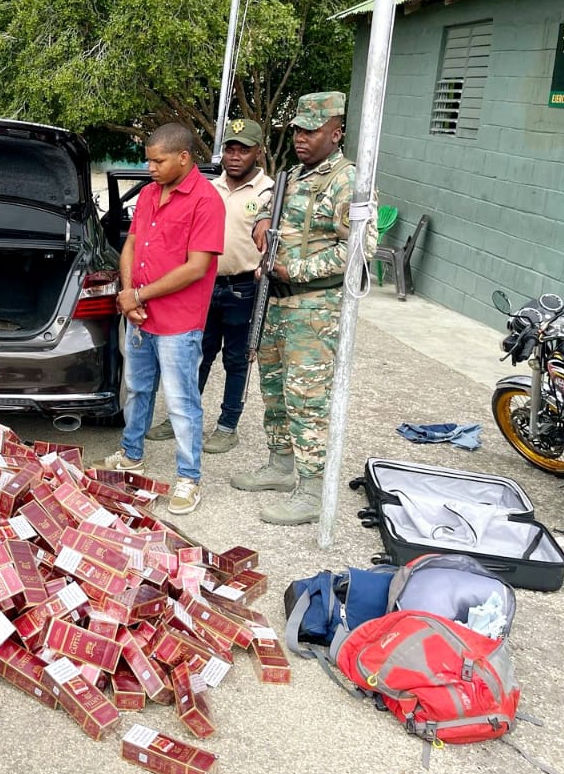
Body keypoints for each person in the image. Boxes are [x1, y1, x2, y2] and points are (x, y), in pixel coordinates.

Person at [229, 91, 376, 525]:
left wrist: (295, 268)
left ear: (336, 133)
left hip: (314, 311)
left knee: (307, 400)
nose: (301, 138)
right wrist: (261, 220)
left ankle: (313, 491)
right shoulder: (292, 175)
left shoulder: (347, 180)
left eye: (311, 131)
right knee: (273, 391)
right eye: (297, 129)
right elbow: (275, 216)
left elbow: (360, 250)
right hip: (275, 304)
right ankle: (280, 465)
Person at [90, 123, 226, 515]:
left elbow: (197, 267)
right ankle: (132, 454)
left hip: (178, 321)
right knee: (136, 389)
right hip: (140, 316)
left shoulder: (205, 200)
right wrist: (129, 295)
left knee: (182, 401)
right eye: (148, 160)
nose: (150, 167)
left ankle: (188, 479)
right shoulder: (150, 194)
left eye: (157, 160)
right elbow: (131, 244)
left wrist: (139, 295)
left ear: (183, 157)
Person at [147, 118, 273, 454]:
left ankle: (227, 425)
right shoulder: (208, 187)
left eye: (243, 149)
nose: (235, 156)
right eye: (230, 148)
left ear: (257, 152)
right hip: (201, 288)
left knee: (236, 360)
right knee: (194, 358)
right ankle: (178, 418)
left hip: (243, 288)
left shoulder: (270, 193)